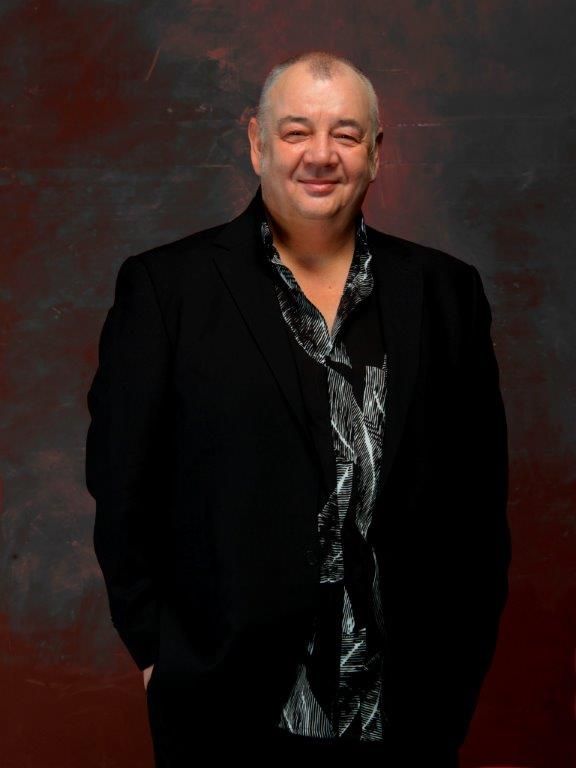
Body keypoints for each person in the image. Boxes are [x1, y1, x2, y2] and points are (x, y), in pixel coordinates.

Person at [85, 50, 511, 766]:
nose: (320, 155)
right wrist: (159, 653)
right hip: (225, 710)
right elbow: (123, 485)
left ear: (376, 152)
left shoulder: (446, 294)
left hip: (405, 714)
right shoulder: (166, 290)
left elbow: (478, 505)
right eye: (295, 132)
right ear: (257, 143)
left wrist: (458, 672)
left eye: (345, 134)